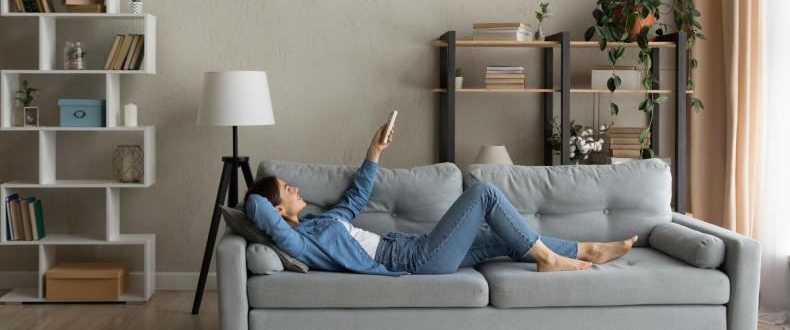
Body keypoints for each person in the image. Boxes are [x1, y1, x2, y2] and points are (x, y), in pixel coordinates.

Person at [244, 123, 638, 276]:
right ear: (278, 211)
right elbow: (254, 207)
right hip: (410, 261)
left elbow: (356, 195)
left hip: (412, 247)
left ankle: (587, 249)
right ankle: (551, 260)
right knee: (484, 194)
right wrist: (260, 194)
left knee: (500, 237)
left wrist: (374, 149)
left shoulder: (320, 222)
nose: (295, 188)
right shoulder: (297, 241)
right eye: (287, 190)